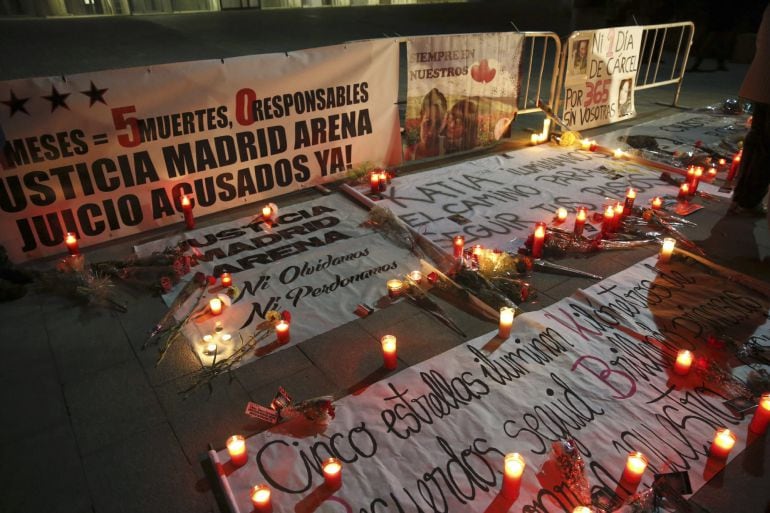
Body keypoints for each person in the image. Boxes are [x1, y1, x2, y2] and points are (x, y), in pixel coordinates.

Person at [730, 3, 770, 216]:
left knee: (757, 140)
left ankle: (743, 194)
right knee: (764, 145)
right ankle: (748, 198)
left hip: (763, 82)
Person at [404, 88, 447, 161]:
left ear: (444, 122)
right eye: (428, 123)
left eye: (437, 124)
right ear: (421, 117)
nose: (430, 132)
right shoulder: (409, 153)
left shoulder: (449, 148)